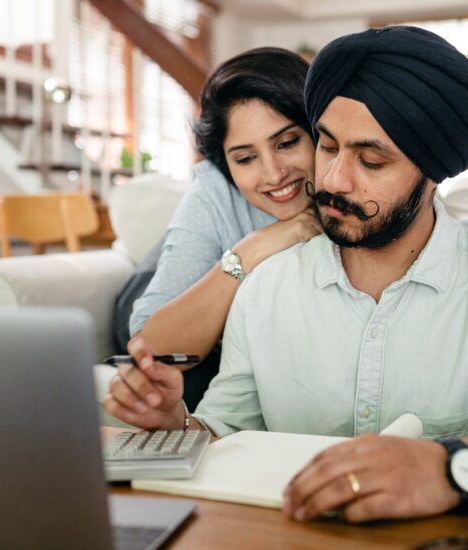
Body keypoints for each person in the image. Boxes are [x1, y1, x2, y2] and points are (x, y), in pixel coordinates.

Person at [104, 26, 468, 522]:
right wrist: (172, 422)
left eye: (372, 160)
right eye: (326, 146)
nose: (335, 181)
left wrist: (452, 466)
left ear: (434, 169)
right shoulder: (268, 285)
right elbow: (228, 434)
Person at [115, 47, 321, 411]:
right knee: (190, 380)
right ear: (225, 162)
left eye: (287, 142)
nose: (274, 174)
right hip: (154, 290)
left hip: (224, 315)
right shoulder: (214, 187)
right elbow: (154, 347)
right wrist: (255, 247)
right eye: (245, 158)